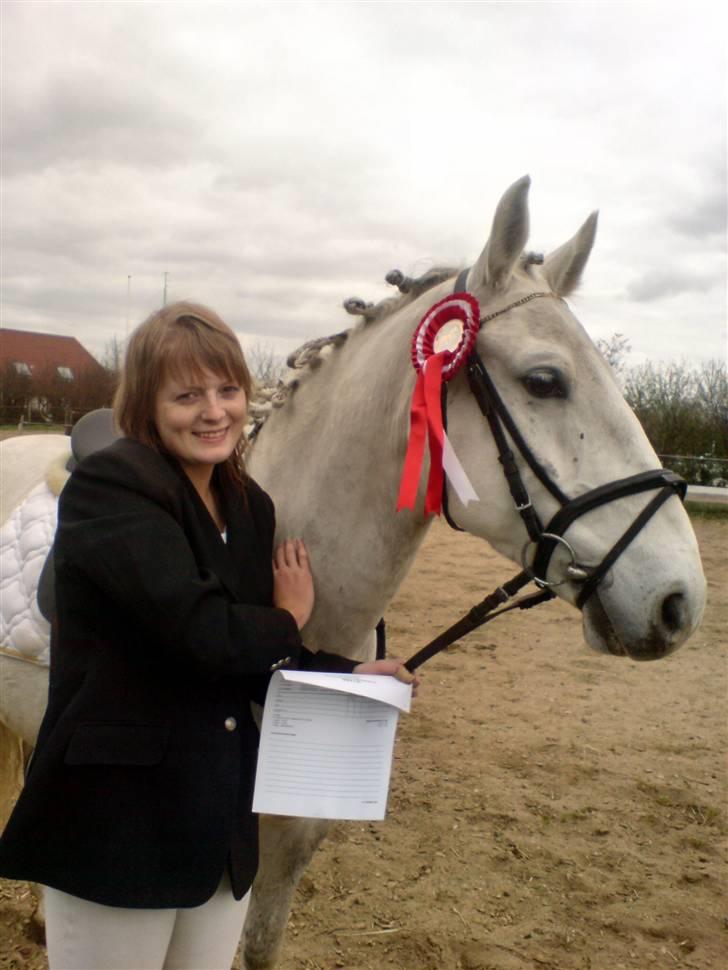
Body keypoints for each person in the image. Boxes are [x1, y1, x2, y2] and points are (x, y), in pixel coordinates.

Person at [0, 302, 415, 970]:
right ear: (146, 403)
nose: (214, 410)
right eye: (187, 394)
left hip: (219, 825)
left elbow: (247, 663)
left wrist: (338, 672)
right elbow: (200, 634)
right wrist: (288, 616)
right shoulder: (112, 488)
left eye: (227, 390)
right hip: (117, 826)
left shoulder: (250, 507)